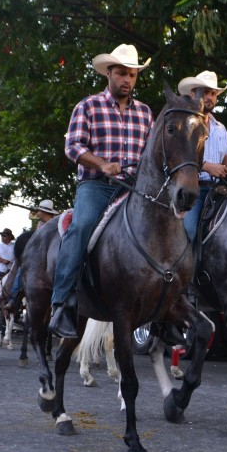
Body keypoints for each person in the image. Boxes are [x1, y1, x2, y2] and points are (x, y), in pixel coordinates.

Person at [48, 43, 155, 339]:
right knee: (81, 227)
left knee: (165, 228)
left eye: (132, 75)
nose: (127, 80)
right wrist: (101, 164)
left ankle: (164, 308)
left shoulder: (146, 113)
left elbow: (152, 155)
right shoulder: (88, 106)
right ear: (109, 73)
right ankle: (63, 303)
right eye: (122, 73)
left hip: (133, 188)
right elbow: (73, 147)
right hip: (95, 185)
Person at [177, 70, 227, 241]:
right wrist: (207, 166)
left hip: (218, 192)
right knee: (190, 231)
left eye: (213, 93)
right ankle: (188, 267)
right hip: (191, 191)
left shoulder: (220, 128)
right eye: (205, 92)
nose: (209, 97)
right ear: (193, 94)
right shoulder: (183, 124)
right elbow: (177, 158)